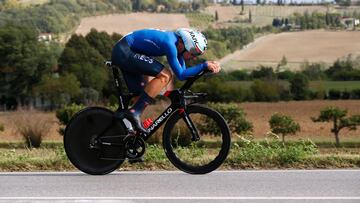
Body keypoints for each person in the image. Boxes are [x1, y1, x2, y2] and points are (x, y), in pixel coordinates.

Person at [111, 28, 221, 133]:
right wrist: (203, 65)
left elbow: (184, 73)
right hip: (124, 51)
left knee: (141, 95)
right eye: (195, 52)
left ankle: (126, 130)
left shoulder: (178, 45)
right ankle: (135, 112)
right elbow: (181, 75)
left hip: (126, 51)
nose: (195, 57)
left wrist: (205, 67)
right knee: (165, 75)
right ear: (186, 45)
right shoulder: (170, 45)